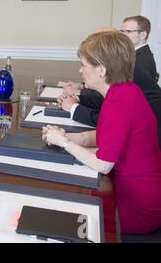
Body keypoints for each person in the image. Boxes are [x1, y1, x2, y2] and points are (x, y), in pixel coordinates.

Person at [43, 31, 161, 234]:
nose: (81, 71)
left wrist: (64, 143)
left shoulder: (119, 100)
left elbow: (103, 165)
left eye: (84, 65)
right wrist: (69, 136)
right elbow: (106, 134)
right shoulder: (123, 90)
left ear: (102, 70)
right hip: (137, 189)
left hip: (137, 205)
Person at [59, 16, 161, 148]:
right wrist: (78, 98)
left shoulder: (134, 68)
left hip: (147, 143)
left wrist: (73, 109)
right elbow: (105, 106)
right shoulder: (124, 75)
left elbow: (109, 120)